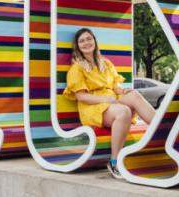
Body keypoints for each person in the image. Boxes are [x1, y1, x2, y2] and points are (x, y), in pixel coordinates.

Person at [62, 28, 156, 178]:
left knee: (134, 95)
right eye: (82, 41)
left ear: (94, 41)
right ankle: (114, 161)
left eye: (89, 39)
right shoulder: (77, 68)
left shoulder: (105, 63)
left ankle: (165, 130)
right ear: (77, 46)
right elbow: (81, 97)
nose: (86, 43)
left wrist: (124, 92)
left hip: (111, 101)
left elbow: (116, 88)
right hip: (92, 107)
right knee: (123, 110)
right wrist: (106, 99)